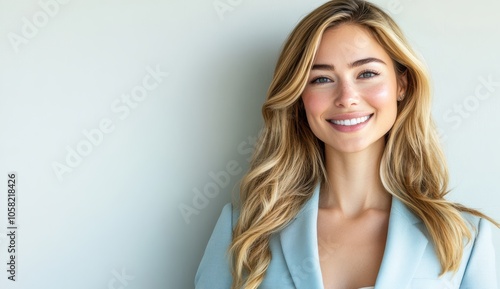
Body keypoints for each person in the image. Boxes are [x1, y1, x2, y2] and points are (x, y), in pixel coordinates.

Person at [195, 0, 499, 288]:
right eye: (321, 79)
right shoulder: (244, 228)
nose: (347, 97)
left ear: (402, 84)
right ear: (299, 97)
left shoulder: (464, 237)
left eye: (367, 73)